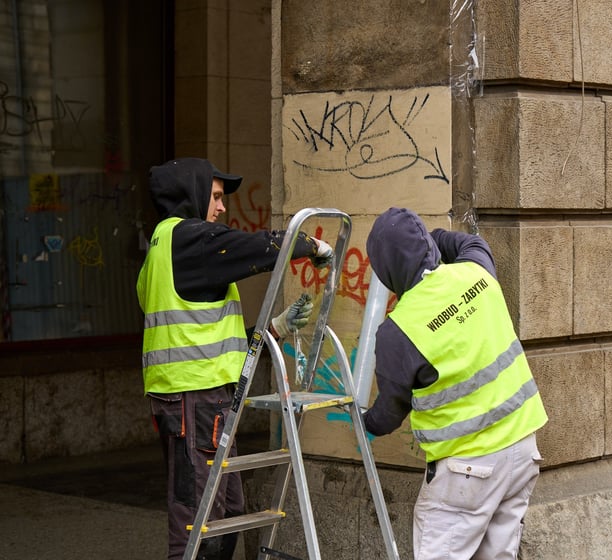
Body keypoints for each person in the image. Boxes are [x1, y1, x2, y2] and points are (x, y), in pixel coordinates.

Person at [136, 157, 332, 560]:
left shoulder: (162, 248)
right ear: (189, 193)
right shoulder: (188, 238)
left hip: (197, 396)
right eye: (216, 197)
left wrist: (272, 329)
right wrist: (306, 244)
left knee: (224, 511)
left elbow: (197, 330)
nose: (222, 208)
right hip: (195, 397)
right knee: (198, 517)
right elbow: (253, 247)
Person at [363, 207, 548, 560]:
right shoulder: (477, 273)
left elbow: (389, 412)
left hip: (468, 469)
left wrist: (366, 420)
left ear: (386, 271)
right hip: (523, 450)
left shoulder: (398, 330)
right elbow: (471, 243)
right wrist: (433, 241)